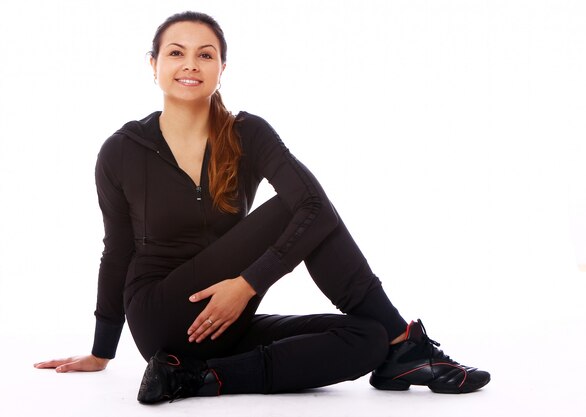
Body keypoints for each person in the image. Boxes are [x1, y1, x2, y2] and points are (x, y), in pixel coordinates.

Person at [34, 11, 490, 403]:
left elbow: (316, 210)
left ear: (222, 67)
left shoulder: (247, 133)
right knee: (299, 208)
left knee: (366, 338)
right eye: (175, 53)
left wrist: (246, 287)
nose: (190, 64)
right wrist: (102, 350)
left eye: (205, 54)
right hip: (162, 314)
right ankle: (407, 343)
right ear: (153, 65)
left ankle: (198, 378)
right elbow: (117, 251)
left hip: (230, 317)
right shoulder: (122, 150)